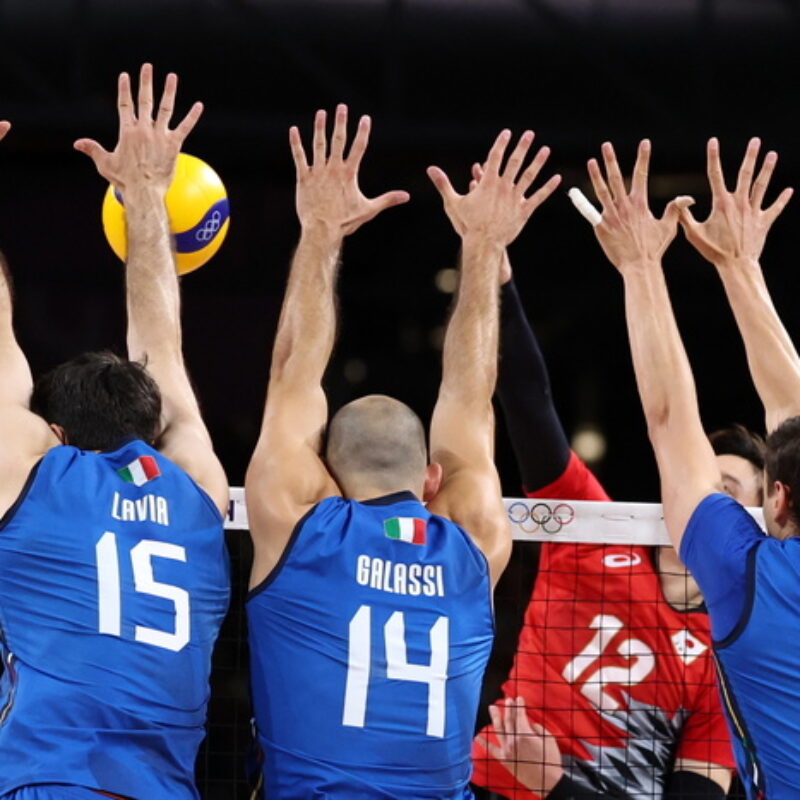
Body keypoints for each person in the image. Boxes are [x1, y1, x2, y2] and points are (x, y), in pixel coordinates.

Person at [244, 108, 559, 798]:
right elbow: (472, 402)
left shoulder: (299, 524)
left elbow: (292, 371)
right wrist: (482, 248)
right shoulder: (472, 544)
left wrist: (321, 230)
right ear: (433, 478)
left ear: (324, 474)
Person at [0, 65, 230, 800]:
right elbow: (163, 340)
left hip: (50, 783)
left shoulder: (36, 476)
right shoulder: (197, 493)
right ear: (152, 425)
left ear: (56, 431)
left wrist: (140, 197)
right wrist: (147, 204)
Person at [463, 222, 734, 797]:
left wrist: (555, 786)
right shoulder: (593, 527)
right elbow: (527, 406)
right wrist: (494, 270)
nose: (707, 496)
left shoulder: (727, 653)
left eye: (729, 490)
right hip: (489, 784)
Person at [584, 135, 796, 799]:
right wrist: (741, 266)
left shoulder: (749, 575)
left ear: (777, 499)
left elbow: (672, 423)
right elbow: (792, 411)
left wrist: (643, 267)